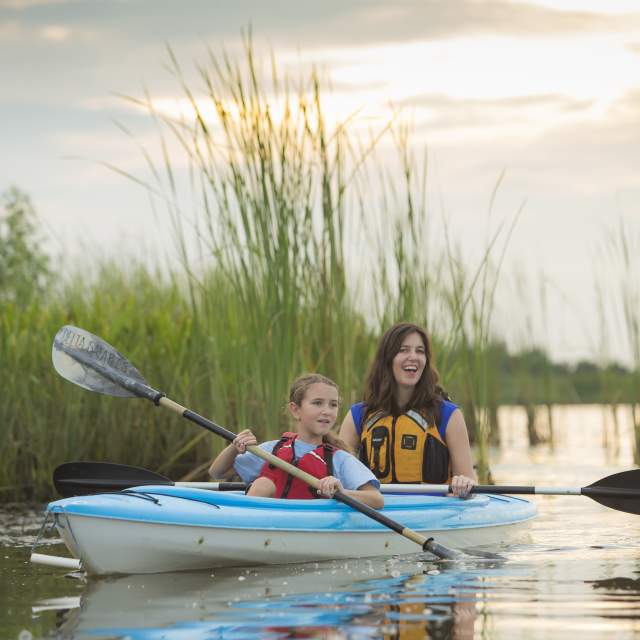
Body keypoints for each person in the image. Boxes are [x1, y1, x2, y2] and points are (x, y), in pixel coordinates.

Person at [338, 322, 476, 497]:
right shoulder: (358, 416)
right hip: (376, 512)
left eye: (420, 351)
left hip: (435, 514)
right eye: (403, 350)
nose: (413, 357)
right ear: (387, 359)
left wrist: (464, 484)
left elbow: (469, 479)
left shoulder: (448, 415)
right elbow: (339, 474)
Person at [208, 373, 384, 509]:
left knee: (263, 483)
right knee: (263, 484)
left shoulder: (339, 459)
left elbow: (376, 499)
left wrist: (343, 492)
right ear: (295, 410)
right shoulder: (272, 449)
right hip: (265, 523)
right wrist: (235, 447)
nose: (327, 411)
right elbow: (217, 472)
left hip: (309, 525)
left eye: (333, 404)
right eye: (317, 403)